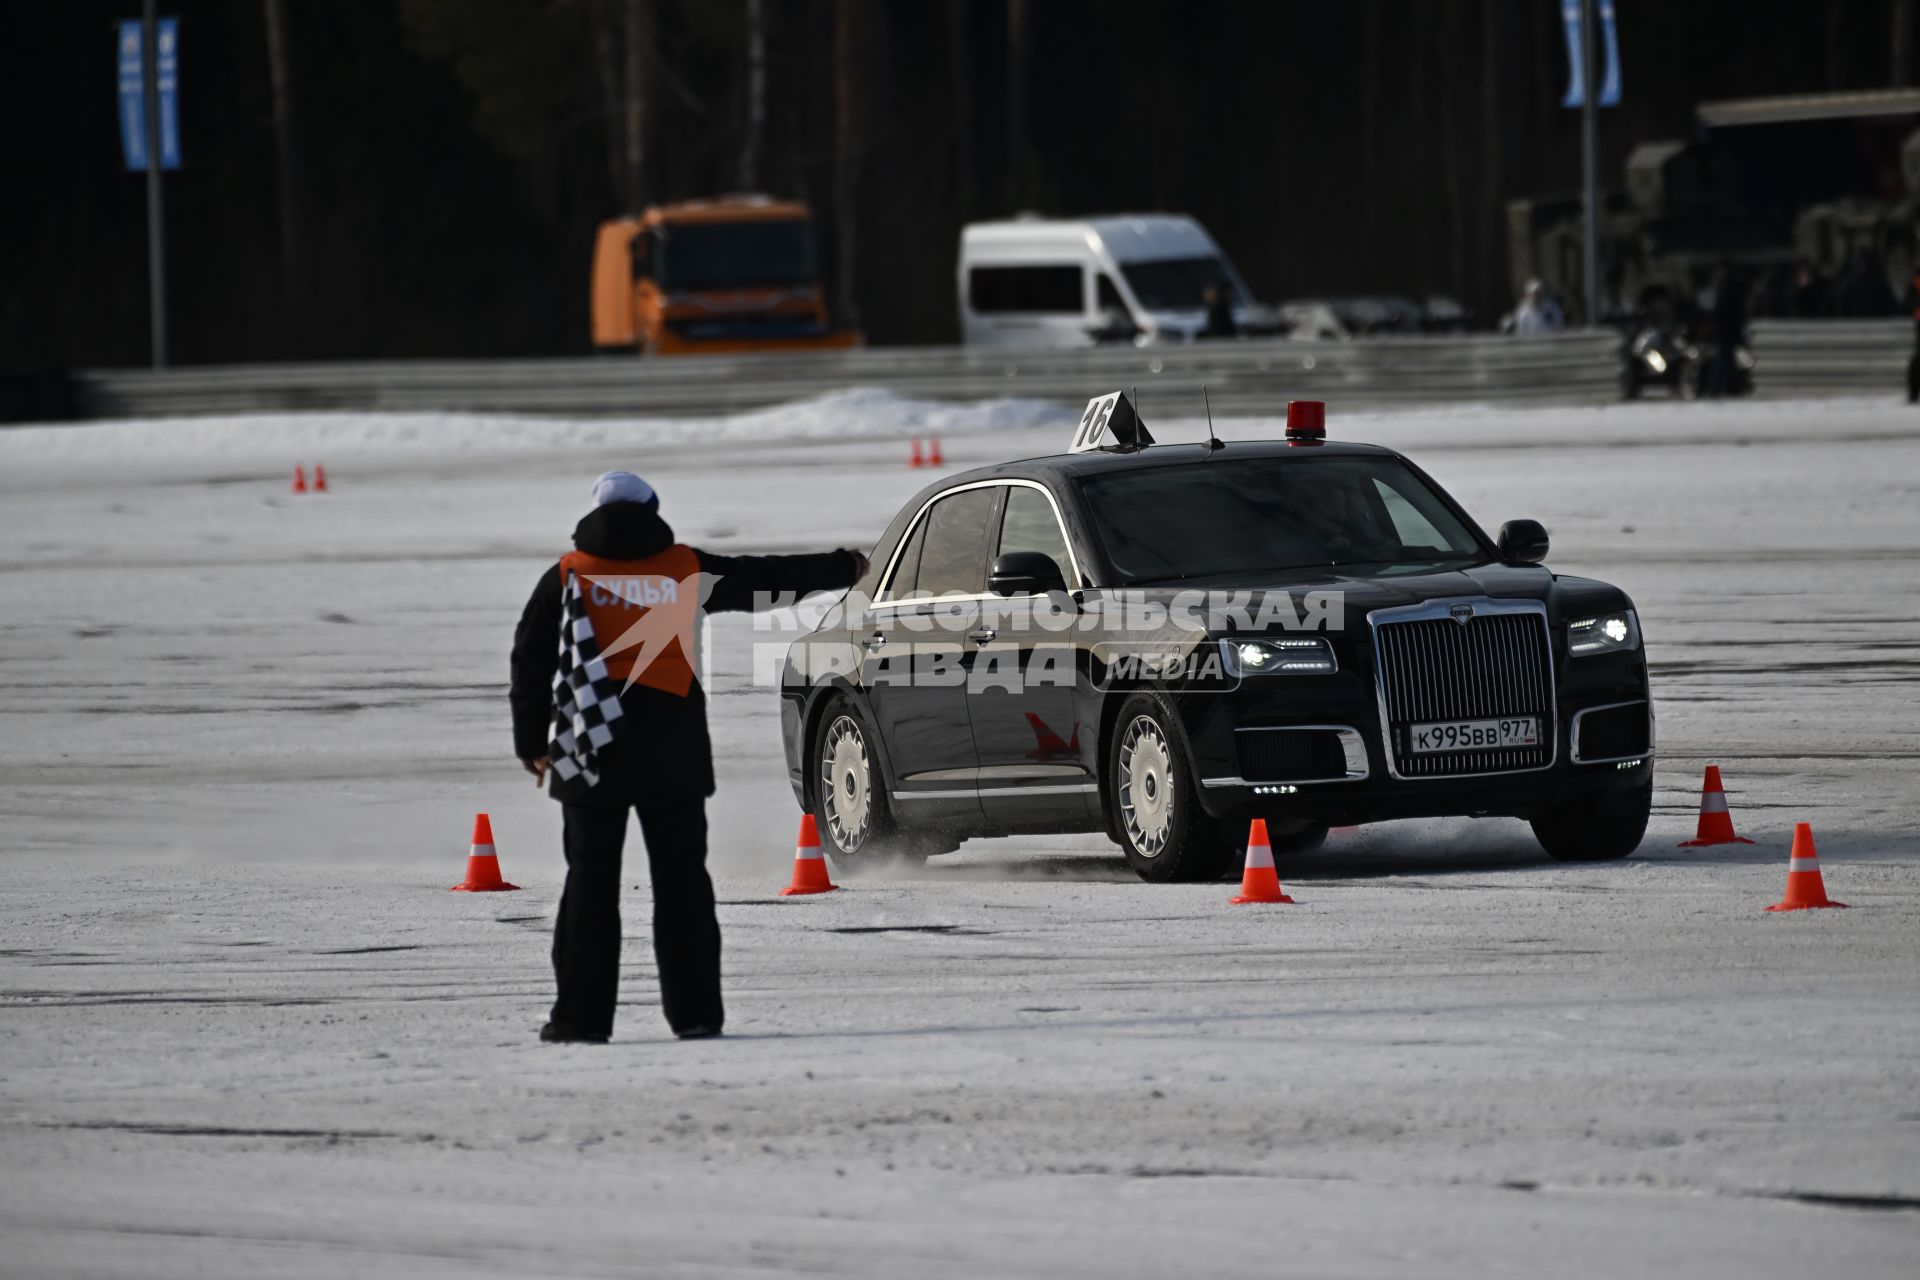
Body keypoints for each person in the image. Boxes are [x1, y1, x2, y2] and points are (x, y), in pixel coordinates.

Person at [510, 471, 867, 1044]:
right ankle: (696, 1017)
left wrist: (531, 743)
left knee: (589, 889)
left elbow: (529, 662)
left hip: (590, 752)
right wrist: (841, 567)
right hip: (671, 754)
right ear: (653, 510)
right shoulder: (684, 567)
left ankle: (579, 1020)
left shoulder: (569, 574)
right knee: (683, 891)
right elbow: (765, 579)